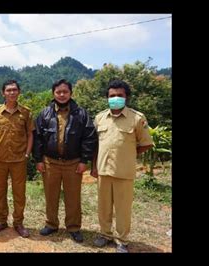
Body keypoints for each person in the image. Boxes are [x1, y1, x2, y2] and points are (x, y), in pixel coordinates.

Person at [91, 79, 154, 253]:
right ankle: (105, 235)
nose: (116, 98)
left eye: (120, 95)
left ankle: (122, 240)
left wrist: (129, 154)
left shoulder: (137, 118)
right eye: (112, 96)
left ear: (126, 97)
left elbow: (146, 143)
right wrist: (94, 166)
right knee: (103, 207)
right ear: (107, 98)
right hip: (103, 170)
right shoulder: (100, 118)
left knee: (123, 209)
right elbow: (96, 144)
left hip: (124, 171)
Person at [33, 79, 97, 243]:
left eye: (65, 92)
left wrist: (84, 161)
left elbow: (89, 138)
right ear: (53, 93)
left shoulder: (81, 114)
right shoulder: (44, 113)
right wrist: (38, 160)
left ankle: (74, 227)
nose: (62, 95)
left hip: (73, 163)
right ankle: (51, 224)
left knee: (73, 197)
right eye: (58, 92)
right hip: (50, 162)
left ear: (70, 93)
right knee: (51, 195)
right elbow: (38, 138)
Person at [0, 80, 34, 238]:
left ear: (19, 92)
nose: (12, 92)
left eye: (14, 90)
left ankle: (18, 223)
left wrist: (27, 154)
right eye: (8, 90)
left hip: (19, 160)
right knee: (0, 191)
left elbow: (30, 134)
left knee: (19, 193)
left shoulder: (26, 112)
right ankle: (1, 221)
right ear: (3, 93)